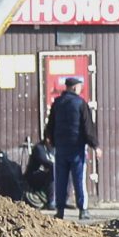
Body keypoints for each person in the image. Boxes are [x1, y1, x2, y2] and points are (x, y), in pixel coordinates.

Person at [45, 75, 97, 218]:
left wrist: (49, 139)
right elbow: (87, 127)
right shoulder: (80, 103)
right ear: (74, 88)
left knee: (61, 179)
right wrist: (95, 145)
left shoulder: (57, 103)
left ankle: (60, 210)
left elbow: (50, 125)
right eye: (79, 87)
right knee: (79, 180)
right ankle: (83, 210)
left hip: (60, 148)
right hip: (77, 149)